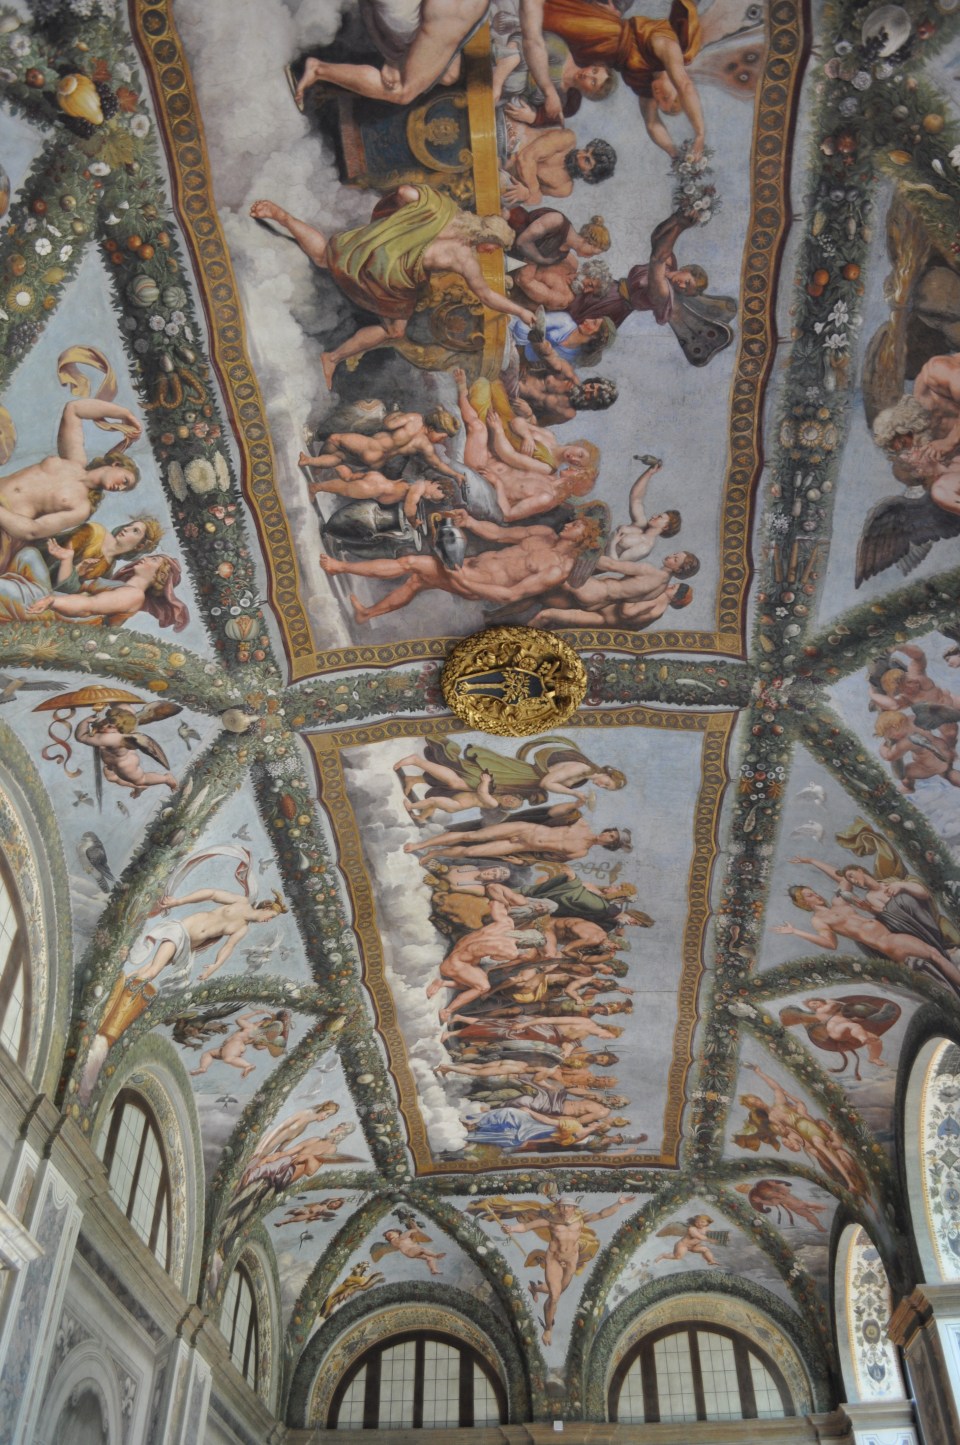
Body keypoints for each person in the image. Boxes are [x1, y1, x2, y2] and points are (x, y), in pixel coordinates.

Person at [250, 187, 534, 389]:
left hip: (378, 248)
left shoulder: (446, 210)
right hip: (392, 279)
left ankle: (281, 216)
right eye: (494, 248)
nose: (490, 253)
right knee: (395, 331)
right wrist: (521, 312)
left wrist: (395, 224)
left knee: (326, 255)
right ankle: (332, 358)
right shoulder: (464, 258)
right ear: (488, 240)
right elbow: (486, 295)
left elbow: (404, 192)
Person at [79, 887, 288, 1101]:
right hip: (181, 931)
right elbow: (211, 894)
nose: (268, 920)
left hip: (187, 946)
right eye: (271, 916)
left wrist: (214, 967)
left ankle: (113, 996)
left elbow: (228, 947)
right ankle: (111, 996)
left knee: (147, 971)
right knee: (151, 972)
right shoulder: (241, 902)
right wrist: (178, 902)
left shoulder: (242, 929)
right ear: (266, 908)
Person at [319, 510, 602, 623]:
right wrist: (471, 522)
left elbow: (510, 595)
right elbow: (499, 534)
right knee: (416, 581)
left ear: (584, 539)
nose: (569, 524)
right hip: (466, 565)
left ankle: (339, 567)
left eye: (576, 526)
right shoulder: (543, 533)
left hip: (473, 581)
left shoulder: (557, 570)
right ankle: (367, 614)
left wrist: (465, 581)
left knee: (411, 563)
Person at [520, 0, 705, 158]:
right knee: (551, 17)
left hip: (592, 57)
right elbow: (685, 85)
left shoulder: (645, 84)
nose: (658, 95)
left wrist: (674, 153)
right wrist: (699, 133)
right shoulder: (667, 46)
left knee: (542, 44)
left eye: (659, 102)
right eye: (666, 96)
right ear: (676, 87)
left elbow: (652, 123)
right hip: (603, 32)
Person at [0, 398, 141, 570]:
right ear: (117, 464)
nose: (120, 487)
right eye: (125, 480)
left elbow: (33, 531)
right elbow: (74, 409)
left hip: (5, 526)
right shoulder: (75, 460)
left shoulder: (82, 507)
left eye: (124, 488)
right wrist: (125, 414)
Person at [292, 0, 496, 109]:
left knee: (449, 75)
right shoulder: (463, 8)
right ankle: (318, 69)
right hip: (403, 18)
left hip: (406, 15)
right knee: (402, 92)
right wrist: (395, 58)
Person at [455, 368, 599, 520]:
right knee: (489, 403)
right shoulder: (549, 475)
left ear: (577, 482)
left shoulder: (547, 497)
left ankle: (462, 392)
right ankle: (468, 390)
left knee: (478, 427)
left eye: (578, 471)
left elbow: (508, 515)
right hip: (490, 457)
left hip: (481, 474)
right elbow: (515, 454)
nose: (574, 465)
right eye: (578, 465)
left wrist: (497, 483)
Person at [501, 1193, 634, 1343]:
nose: (565, 1209)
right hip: (554, 1259)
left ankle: (535, 1288)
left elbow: (602, 1214)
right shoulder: (550, 1221)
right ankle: (548, 1329)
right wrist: (511, 1228)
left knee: (558, 1291)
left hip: (571, 1261)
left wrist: (619, 1203)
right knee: (554, 1296)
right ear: (558, 1208)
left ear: (574, 1208)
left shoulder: (580, 1220)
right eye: (562, 1206)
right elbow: (526, 1226)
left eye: (568, 1207)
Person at [774, 884, 960, 990]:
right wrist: (796, 932)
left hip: (891, 936)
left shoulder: (837, 902)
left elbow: (842, 879)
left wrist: (811, 861)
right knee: (934, 954)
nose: (816, 894)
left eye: (813, 891)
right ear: (804, 902)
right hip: (886, 941)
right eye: (809, 895)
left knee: (933, 959)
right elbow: (830, 944)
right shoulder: (818, 920)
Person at [568, 209, 707, 332]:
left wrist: (681, 226)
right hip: (609, 288)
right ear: (686, 269)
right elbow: (657, 238)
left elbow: (657, 258)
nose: (681, 287)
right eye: (687, 282)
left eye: (685, 290)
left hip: (610, 305)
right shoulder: (670, 264)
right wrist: (676, 217)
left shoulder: (663, 292)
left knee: (568, 313)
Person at [735, 1063, 866, 1194]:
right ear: (754, 1107)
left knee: (819, 1145)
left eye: (756, 1100)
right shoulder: (771, 1118)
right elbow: (785, 1132)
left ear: (758, 1098)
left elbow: (776, 1087)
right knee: (817, 1153)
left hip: (805, 1125)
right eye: (753, 1103)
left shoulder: (779, 1103)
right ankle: (842, 1177)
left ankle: (849, 1182)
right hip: (800, 1133)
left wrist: (759, 1073)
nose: (757, 1102)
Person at [426, 898, 549, 1019]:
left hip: (456, 950)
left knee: (479, 977)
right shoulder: (511, 952)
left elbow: (495, 902)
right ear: (528, 944)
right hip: (453, 966)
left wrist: (506, 905)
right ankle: (448, 1010)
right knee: (483, 987)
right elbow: (494, 958)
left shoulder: (506, 923)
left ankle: (443, 983)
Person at [6, 551, 189, 631]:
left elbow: (88, 606)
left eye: (154, 560)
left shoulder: (133, 595)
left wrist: (52, 601)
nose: (147, 558)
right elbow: (74, 591)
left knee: (10, 589)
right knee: (28, 555)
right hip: (66, 605)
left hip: (69, 618)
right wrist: (78, 572)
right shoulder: (120, 586)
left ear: (160, 576)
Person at [405, 804, 631, 863]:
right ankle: (421, 846)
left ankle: (435, 854)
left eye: (612, 839)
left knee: (470, 852)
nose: (608, 836)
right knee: (471, 836)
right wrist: (575, 803)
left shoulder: (581, 852)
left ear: (609, 846)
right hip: (523, 829)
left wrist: (522, 860)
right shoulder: (581, 823)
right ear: (607, 831)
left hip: (520, 846)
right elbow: (553, 812)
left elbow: (545, 858)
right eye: (611, 833)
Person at [530, 550, 698, 628]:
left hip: (595, 591)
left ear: (678, 570)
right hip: (598, 603)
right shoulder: (660, 588)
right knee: (547, 592)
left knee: (553, 568)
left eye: (675, 559)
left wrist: (588, 553)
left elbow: (611, 565)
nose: (671, 556)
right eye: (674, 554)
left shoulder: (650, 571)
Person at [301, 407, 463, 483]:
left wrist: (396, 412)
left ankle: (315, 465)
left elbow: (388, 424)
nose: (442, 441)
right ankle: (317, 467)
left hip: (371, 447)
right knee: (340, 457)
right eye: (443, 437)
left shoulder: (414, 418)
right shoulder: (424, 445)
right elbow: (437, 464)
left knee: (334, 439)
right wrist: (456, 475)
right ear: (434, 428)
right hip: (377, 462)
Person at [75, 705, 178, 798]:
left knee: (141, 780)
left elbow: (81, 737)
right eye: (106, 721)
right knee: (111, 777)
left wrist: (85, 722)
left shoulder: (111, 738)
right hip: (112, 762)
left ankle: (166, 779)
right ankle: (139, 788)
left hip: (126, 765)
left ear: (120, 730)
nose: (104, 726)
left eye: (110, 727)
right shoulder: (115, 726)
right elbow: (125, 709)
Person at [46, 515, 163, 590]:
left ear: (139, 546)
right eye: (129, 526)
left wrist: (76, 572)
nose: (126, 529)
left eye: (135, 531)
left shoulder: (108, 569)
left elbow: (76, 592)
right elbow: (53, 555)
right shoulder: (94, 532)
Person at [503, 131, 617, 205]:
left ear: (589, 176)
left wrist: (527, 194)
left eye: (587, 160)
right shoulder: (567, 139)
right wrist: (533, 191)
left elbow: (532, 199)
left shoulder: (564, 188)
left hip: (505, 179)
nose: (579, 155)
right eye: (585, 150)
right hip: (503, 145)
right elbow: (525, 157)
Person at [301, 463, 445, 521]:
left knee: (349, 478)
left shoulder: (418, 481)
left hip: (377, 481)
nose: (427, 497)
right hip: (376, 487)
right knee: (345, 489)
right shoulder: (419, 486)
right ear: (436, 483)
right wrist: (413, 521)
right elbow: (409, 506)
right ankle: (315, 487)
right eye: (431, 495)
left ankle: (325, 462)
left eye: (431, 499)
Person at [607, 460, 681, 563]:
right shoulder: (640, 523)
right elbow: (636, 498)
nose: (654, 516)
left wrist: (612, 543)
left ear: (665, 527)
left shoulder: (645, 547)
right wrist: (649, 473)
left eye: (659, 517)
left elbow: (615, 565)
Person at [874, 710, 960, 793]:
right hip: (944, 751)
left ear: (895, 726)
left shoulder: (905, 743)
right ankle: (949, 772)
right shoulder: (913, 719)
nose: (891, 737)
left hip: (930, 766)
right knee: (949, 771)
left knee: (906, 772)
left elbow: (889, 756)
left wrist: (883, 747)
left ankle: (909, 788)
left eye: (890, 734)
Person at [189, 1008, 292, 1078]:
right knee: (208, 1053)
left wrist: (255, 1013)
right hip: (234, 1047)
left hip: (235, 1044)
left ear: (261, 1022)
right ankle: (203, 1068)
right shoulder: (257, 1035)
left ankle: (248, 1066)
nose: (256, 1021)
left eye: (259, 1021)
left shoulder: (251, 1027)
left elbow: (239, 1019)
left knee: (228, 1058)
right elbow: (259, 1047)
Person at [509, 310, 616, 372]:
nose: (588, 320)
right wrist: (520, 351)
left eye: (594, 323)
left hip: (514, 360)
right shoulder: (564, 321)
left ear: (595, 337)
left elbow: (547, 368)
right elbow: (526, 324)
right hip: (511, 331)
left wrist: (526, 363)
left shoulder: (575, 358)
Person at [512, 255, 613, 315]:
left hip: (508, 287)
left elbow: (523, 280)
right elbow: (548, 243)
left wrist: (532, 254)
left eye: (590, 293)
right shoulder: (570, 261)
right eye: (590, 285)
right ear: (587, 271)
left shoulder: (563, 299)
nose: (585, 291)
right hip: (514, 257)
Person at [507, 210, 610, 267]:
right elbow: (522, 242)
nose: (590, 257)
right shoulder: (557, 220)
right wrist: (541, 259)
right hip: (504, 229)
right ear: (587, 240)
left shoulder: (561, 255)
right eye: (593, 253)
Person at [654, 1215, 723, 1266]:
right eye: (697, 1222)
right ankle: (663, 1255)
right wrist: (710, 1240)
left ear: (707, 1223)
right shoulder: (692, 1229)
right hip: (683, 1245)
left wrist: (719, 1236)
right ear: (694, 1222)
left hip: (694, 1246)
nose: (699, 1223)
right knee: (678, 1257)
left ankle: (711, 1261)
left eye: (702, 1222)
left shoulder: (706, 1229)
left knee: (705, 1249)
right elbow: (699, 1237)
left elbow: (711, 1234)